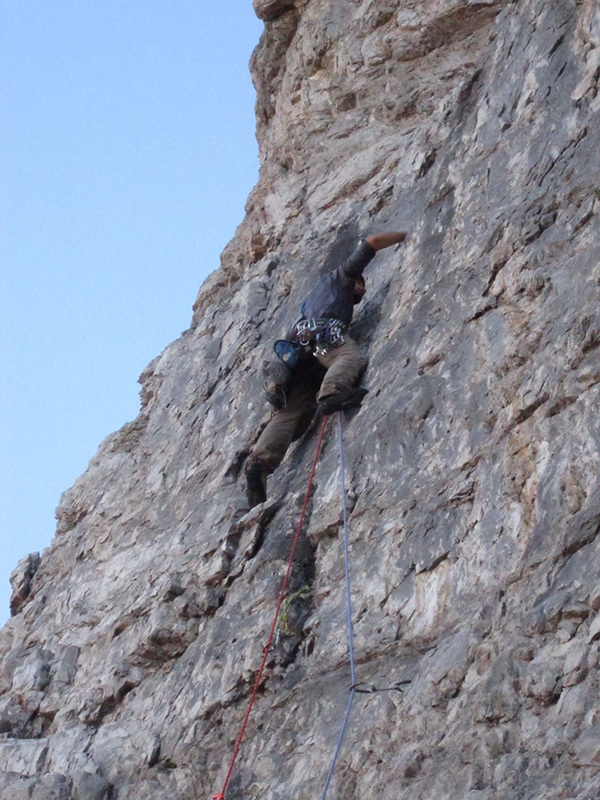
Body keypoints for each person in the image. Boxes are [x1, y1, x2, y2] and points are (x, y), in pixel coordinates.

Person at [245, 230, 407, 507]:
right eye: (362, 286)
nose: (363, 291)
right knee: (350, 357)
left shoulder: (312, 299)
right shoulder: (342, 276)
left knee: (293, 411)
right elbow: (371, 243)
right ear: (354, 280)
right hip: (322, 336)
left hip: (300, 351)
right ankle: (333, 393)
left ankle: (258, 462)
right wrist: (405, 235)